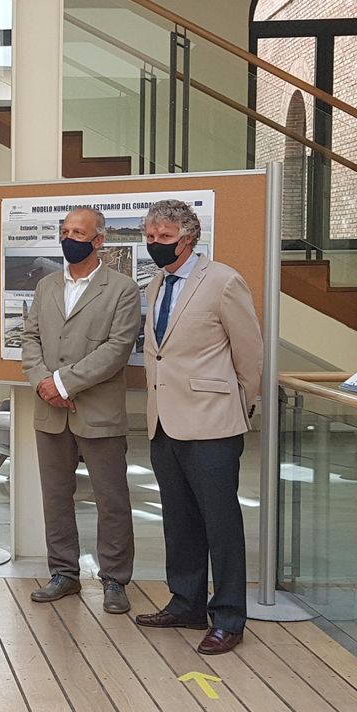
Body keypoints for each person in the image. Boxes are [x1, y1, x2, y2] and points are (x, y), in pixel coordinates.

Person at [132, 199, 262, 656]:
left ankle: (228, 617)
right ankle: (186, 602)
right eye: (150, 237)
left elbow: (250, 355)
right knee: (178, 518)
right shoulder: (155, 283)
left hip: (212, 423)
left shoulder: (224, 281)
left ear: (189, 239)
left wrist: (238, 408)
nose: (155, 245)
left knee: (220, 522)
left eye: (164, 238)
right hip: (164, 421)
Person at [20, 207, 142, 613]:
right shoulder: (47, 286)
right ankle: (63, 574)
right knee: (56, 496)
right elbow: (30, 337)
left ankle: (114, 580)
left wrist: (62, 384)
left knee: (111, 499)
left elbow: (117, 349)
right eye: (65, 230)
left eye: (79, 231)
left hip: (99, 411)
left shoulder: (122, 288)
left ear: (99, 240)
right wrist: (43, 383)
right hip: (50, 412)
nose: (70, 237)